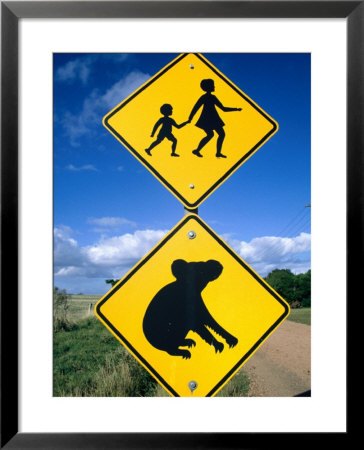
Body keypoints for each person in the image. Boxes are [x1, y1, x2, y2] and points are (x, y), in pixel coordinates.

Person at [188, 79, 242, 158]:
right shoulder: (207, 97)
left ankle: (209, 152)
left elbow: (223, 109)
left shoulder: (211, 97)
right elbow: (196, 108)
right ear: (209, 87)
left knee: (215, 134)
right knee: (216, 134)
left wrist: (235, 109)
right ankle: (201, 151)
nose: (214, 86)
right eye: (212, 85)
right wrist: (190, 118)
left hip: (211, 119)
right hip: (209, 119)